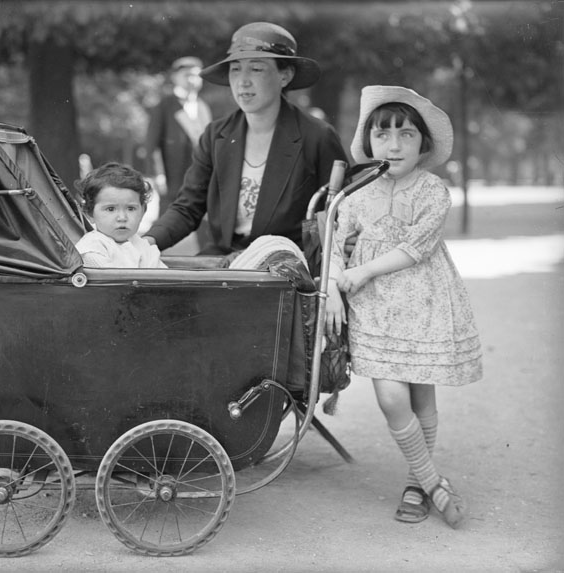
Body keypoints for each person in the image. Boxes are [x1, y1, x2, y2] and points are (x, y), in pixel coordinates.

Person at [325, 86, 483, 528]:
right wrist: (336, 286)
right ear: (369, 141)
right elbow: (333, 244)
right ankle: (434, 482)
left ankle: (417, 482)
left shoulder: (432, 191)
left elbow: (417, 247)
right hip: (375, 309)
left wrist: (364, 270)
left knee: (420, 392)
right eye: (383, 135)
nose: (393, 146)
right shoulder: (357, 193)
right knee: (391, 396)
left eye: (407, 135)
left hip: (423, 301)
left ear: (423, 145)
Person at [143, 22, 348, 256]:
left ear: (285, 75)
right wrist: (146, 242)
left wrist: (321, 246)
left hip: (283, 267)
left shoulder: (317, 137)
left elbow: (337, 211)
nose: (243, 81)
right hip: (221, 262)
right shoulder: (216, 135)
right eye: (236, 69)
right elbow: (187, 207)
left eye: (257, 69)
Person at [144, 56, 213, 217]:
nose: (192, 80)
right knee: (166, 228)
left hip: (201, 181)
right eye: (186, 75)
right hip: (172, 181)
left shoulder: (203, 107)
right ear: (175, 78)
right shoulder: (164, 106)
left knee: (207, 232)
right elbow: (151, 145)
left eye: (196, 75)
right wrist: (158, 175)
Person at [75, 162, 167, 268]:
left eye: (130, 208)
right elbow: (113, 281)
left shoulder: (142, 245)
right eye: (110, 209)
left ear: (142, 212)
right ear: (90, 214)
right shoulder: (91, 249)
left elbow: (165, 277)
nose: (122, 218)